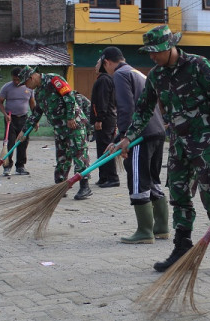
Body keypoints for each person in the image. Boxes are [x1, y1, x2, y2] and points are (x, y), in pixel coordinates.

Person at [109, 25, 210, 273]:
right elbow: (144, 109)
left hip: (205, 145)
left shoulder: (198, 65)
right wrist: (128, 137)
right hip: (178, 146)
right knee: (179, 197)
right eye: (149, 53)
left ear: (169, 47)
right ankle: (182, 248)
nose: (152, 57)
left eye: (155, 52)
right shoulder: (157, 75)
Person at [101, 46, 168, 244]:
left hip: (140, 135)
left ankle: (145, 231)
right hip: (156, 132)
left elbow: (126, 107)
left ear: (107, 62)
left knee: (138, 180)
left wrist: (124, 137)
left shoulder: (120, 75)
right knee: (153, 178)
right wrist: (116, 140)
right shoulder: (137, 72)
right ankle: (162, 228)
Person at [17, 65, 93, 200]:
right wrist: (24, 131)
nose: (27, 87)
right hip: (60, 128)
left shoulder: (54, 80)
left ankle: (84, 186)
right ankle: (60, 186)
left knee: (79, 154)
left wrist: (70, 117)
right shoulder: (39, 92)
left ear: (32, 77)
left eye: (26, 83)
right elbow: (37, 112)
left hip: (74, 124)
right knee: (62, 157)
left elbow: (69, 96)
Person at [0, 68, 37, 176]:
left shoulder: (29, 87)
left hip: (24, 118)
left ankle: (20, 166)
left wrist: (35, 119)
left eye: (18, 79)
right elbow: (0, 102)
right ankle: (7, 166)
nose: (16, 82)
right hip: (10, 119)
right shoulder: (6, 87)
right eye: (14, 79)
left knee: (23, 142)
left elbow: (32, 103)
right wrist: (5, 115)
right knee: (10, 142)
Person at [90, 58, 120, 188]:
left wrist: (99, 119)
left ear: (103, 64)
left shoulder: (104, 80)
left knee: (107, 148)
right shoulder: (103, 79)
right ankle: (103, 177)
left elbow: (103, 101)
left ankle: (112, 177)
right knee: (101, 148)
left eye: (97, 63)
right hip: (106, 119)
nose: (95, 66)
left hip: (106, 121)